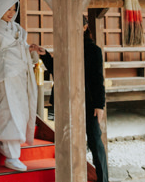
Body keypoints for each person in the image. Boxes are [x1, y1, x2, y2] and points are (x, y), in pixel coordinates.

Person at [40, 15, 108, 182]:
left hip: (89, 103)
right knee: (67, 143)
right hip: (66, 101)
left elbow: (98, 79)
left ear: (85, 27)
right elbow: (59, 71)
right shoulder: (66, 47)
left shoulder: (94, 50)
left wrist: (99, 105)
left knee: (95, 143)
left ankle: (103, 179)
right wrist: (45, 56)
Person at [0, 0, 39, 172]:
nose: (11, 12)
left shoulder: (17, 29)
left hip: (19, 76)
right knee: (8, 113)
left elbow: (21, 48)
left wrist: (29, 49)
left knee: (19, 111)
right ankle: (10, 155)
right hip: (4, 75)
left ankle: (12, 152)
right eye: (7, 8)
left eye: (13, 8)